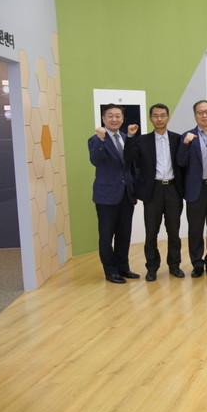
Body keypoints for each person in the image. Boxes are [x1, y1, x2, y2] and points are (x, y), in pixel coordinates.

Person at [124, 103, 184, 281]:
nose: (159, 119)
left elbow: (183, 163)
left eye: (162, 115)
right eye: (156, 115)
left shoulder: (177, 139)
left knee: (174, 232)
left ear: (168, 117)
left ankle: (174, 266)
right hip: (153, 191)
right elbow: (128, 158)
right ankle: (152, 267)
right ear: (151, 118)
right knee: (151, 233)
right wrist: (130, 136)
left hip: (173, 189)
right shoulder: (142, 140)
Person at [88, 104, 137, 284]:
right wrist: (101, 140)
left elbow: (130, 166)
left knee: (124, 234)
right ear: (104, 118)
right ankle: (110, 271)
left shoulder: (125, 137)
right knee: (107, 235)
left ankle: (123, 267)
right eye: (110, 116)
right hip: (106, 195)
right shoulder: (95, 139)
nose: (114, 119)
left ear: (123, 119)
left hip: (126, 194)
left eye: (118, 116)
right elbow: (95, 160)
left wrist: (134, 191)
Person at [177, 100, 207, 278]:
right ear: (195, 115)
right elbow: (181, 162)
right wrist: (185, 144)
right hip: (196, 189)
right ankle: (197, 263)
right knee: (195, 229)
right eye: (200, 112)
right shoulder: (187, 136)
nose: (204, 115)